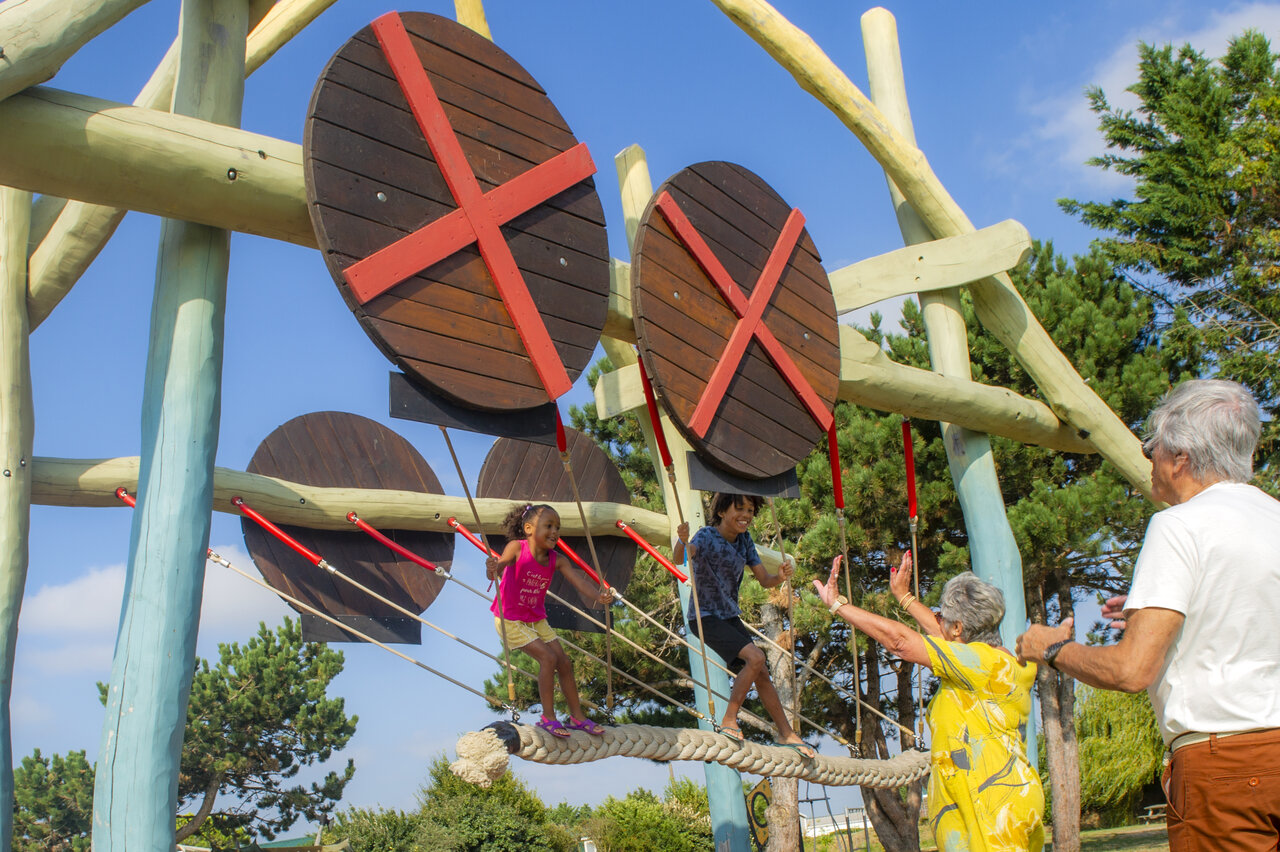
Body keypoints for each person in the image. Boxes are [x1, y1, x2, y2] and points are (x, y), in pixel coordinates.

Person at [1016, 379, 1280, 851]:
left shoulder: (1178, 525)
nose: (1148, 459)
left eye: (1150, 447)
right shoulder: (1271, 517)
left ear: (1179, 457)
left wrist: (1049, 648)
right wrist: (1161, 616)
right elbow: (1243, 615)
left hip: (1225, 768)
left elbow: (1131, 671)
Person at [815, 551, 1045, 852]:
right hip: (1014, 795)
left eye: (944, 618)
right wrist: (905, 597)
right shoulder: (1009, 662)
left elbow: (900, 642)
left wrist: (838, 605)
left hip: (989, 808)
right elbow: (946, 636)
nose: (938, 622)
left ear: (959, 628)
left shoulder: (977, 664)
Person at [672, 492, 815, 758]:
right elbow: (682, 557)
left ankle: (786, 733)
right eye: (740, 509)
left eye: (750, 510)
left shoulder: (744, 541)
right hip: (704, 617)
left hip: (728, 615)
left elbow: (764, 580)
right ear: (722, 511)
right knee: (756, 658)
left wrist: (780, 576)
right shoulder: (705, 536)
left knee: (760, 672)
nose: (746, 515)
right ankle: (729, 720)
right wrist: (681, 541)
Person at [486, 503, 612, 738]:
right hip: (510, 620)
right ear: (529, 528)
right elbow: (500, 565)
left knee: (564, 662)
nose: (555, 532)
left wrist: (598, 596)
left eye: (557, 527)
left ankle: (577, 716)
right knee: (548, 657)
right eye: (549, 526)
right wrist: (493, 567)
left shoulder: (557, 560)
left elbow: (579, 582)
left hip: (535, 619)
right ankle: (548, 718)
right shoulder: (517, 548)